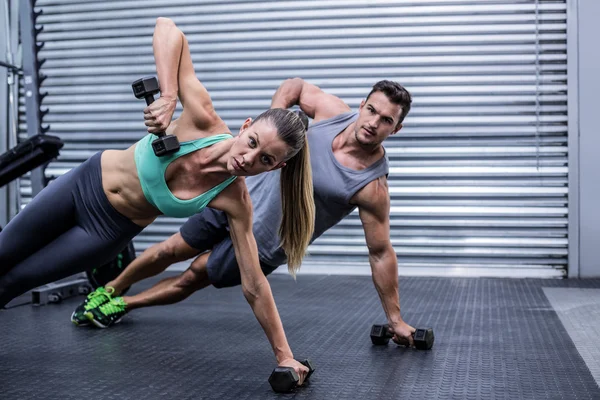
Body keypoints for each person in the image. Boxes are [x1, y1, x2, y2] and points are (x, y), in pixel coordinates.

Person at [0, 17, 314, 381]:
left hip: (104, 232)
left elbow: (254, 283)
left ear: (276, 168)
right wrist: (168, 97)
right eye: (253, 143)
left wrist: (285, 356)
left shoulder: (234, 199)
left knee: (13, 283)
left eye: (265, 160)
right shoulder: (201, 118)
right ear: (246, 126)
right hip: (82, 185)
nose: (248, 158)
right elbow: (167, 28)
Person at [74, 76, 417, 347]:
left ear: (396, 129)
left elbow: (380, 252)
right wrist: (275, 119)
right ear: (362, 105)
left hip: (265, 243)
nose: (373, 122)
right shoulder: (331, 112)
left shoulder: (371, 187)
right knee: (170, 248)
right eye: (371, 110)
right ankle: (111, 289)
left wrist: (395, 318)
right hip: (235, 199)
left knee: (195, 274)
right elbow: (294, 86)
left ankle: (124, 305)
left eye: (386, 120)